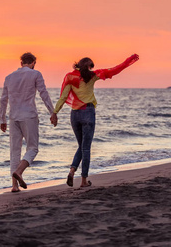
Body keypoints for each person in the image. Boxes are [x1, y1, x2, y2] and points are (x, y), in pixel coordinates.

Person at [51, 54, 139, 188]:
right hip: (88, 113)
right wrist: (128, 61)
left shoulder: (70, 77)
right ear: (88, 67)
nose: (91, 70)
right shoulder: (92, 76)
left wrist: (55, 113)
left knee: (81, 146)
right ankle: (83, 180)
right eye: (90, 67)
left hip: (75, 115)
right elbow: (114, 70)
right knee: (86, 148)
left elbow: (63, 97)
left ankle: (72, 170)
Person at [0, 52, 57, 192]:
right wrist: (52, 112)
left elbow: (3, 99)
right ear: (33, 63)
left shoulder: (9, 77)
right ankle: (19, 172)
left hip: (13, 117)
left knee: (14, 151)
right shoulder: (35, 74)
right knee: (32, 148)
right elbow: (44, 94)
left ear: (21, 63)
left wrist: (2, 119)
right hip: (29, 116)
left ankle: (14, 186)